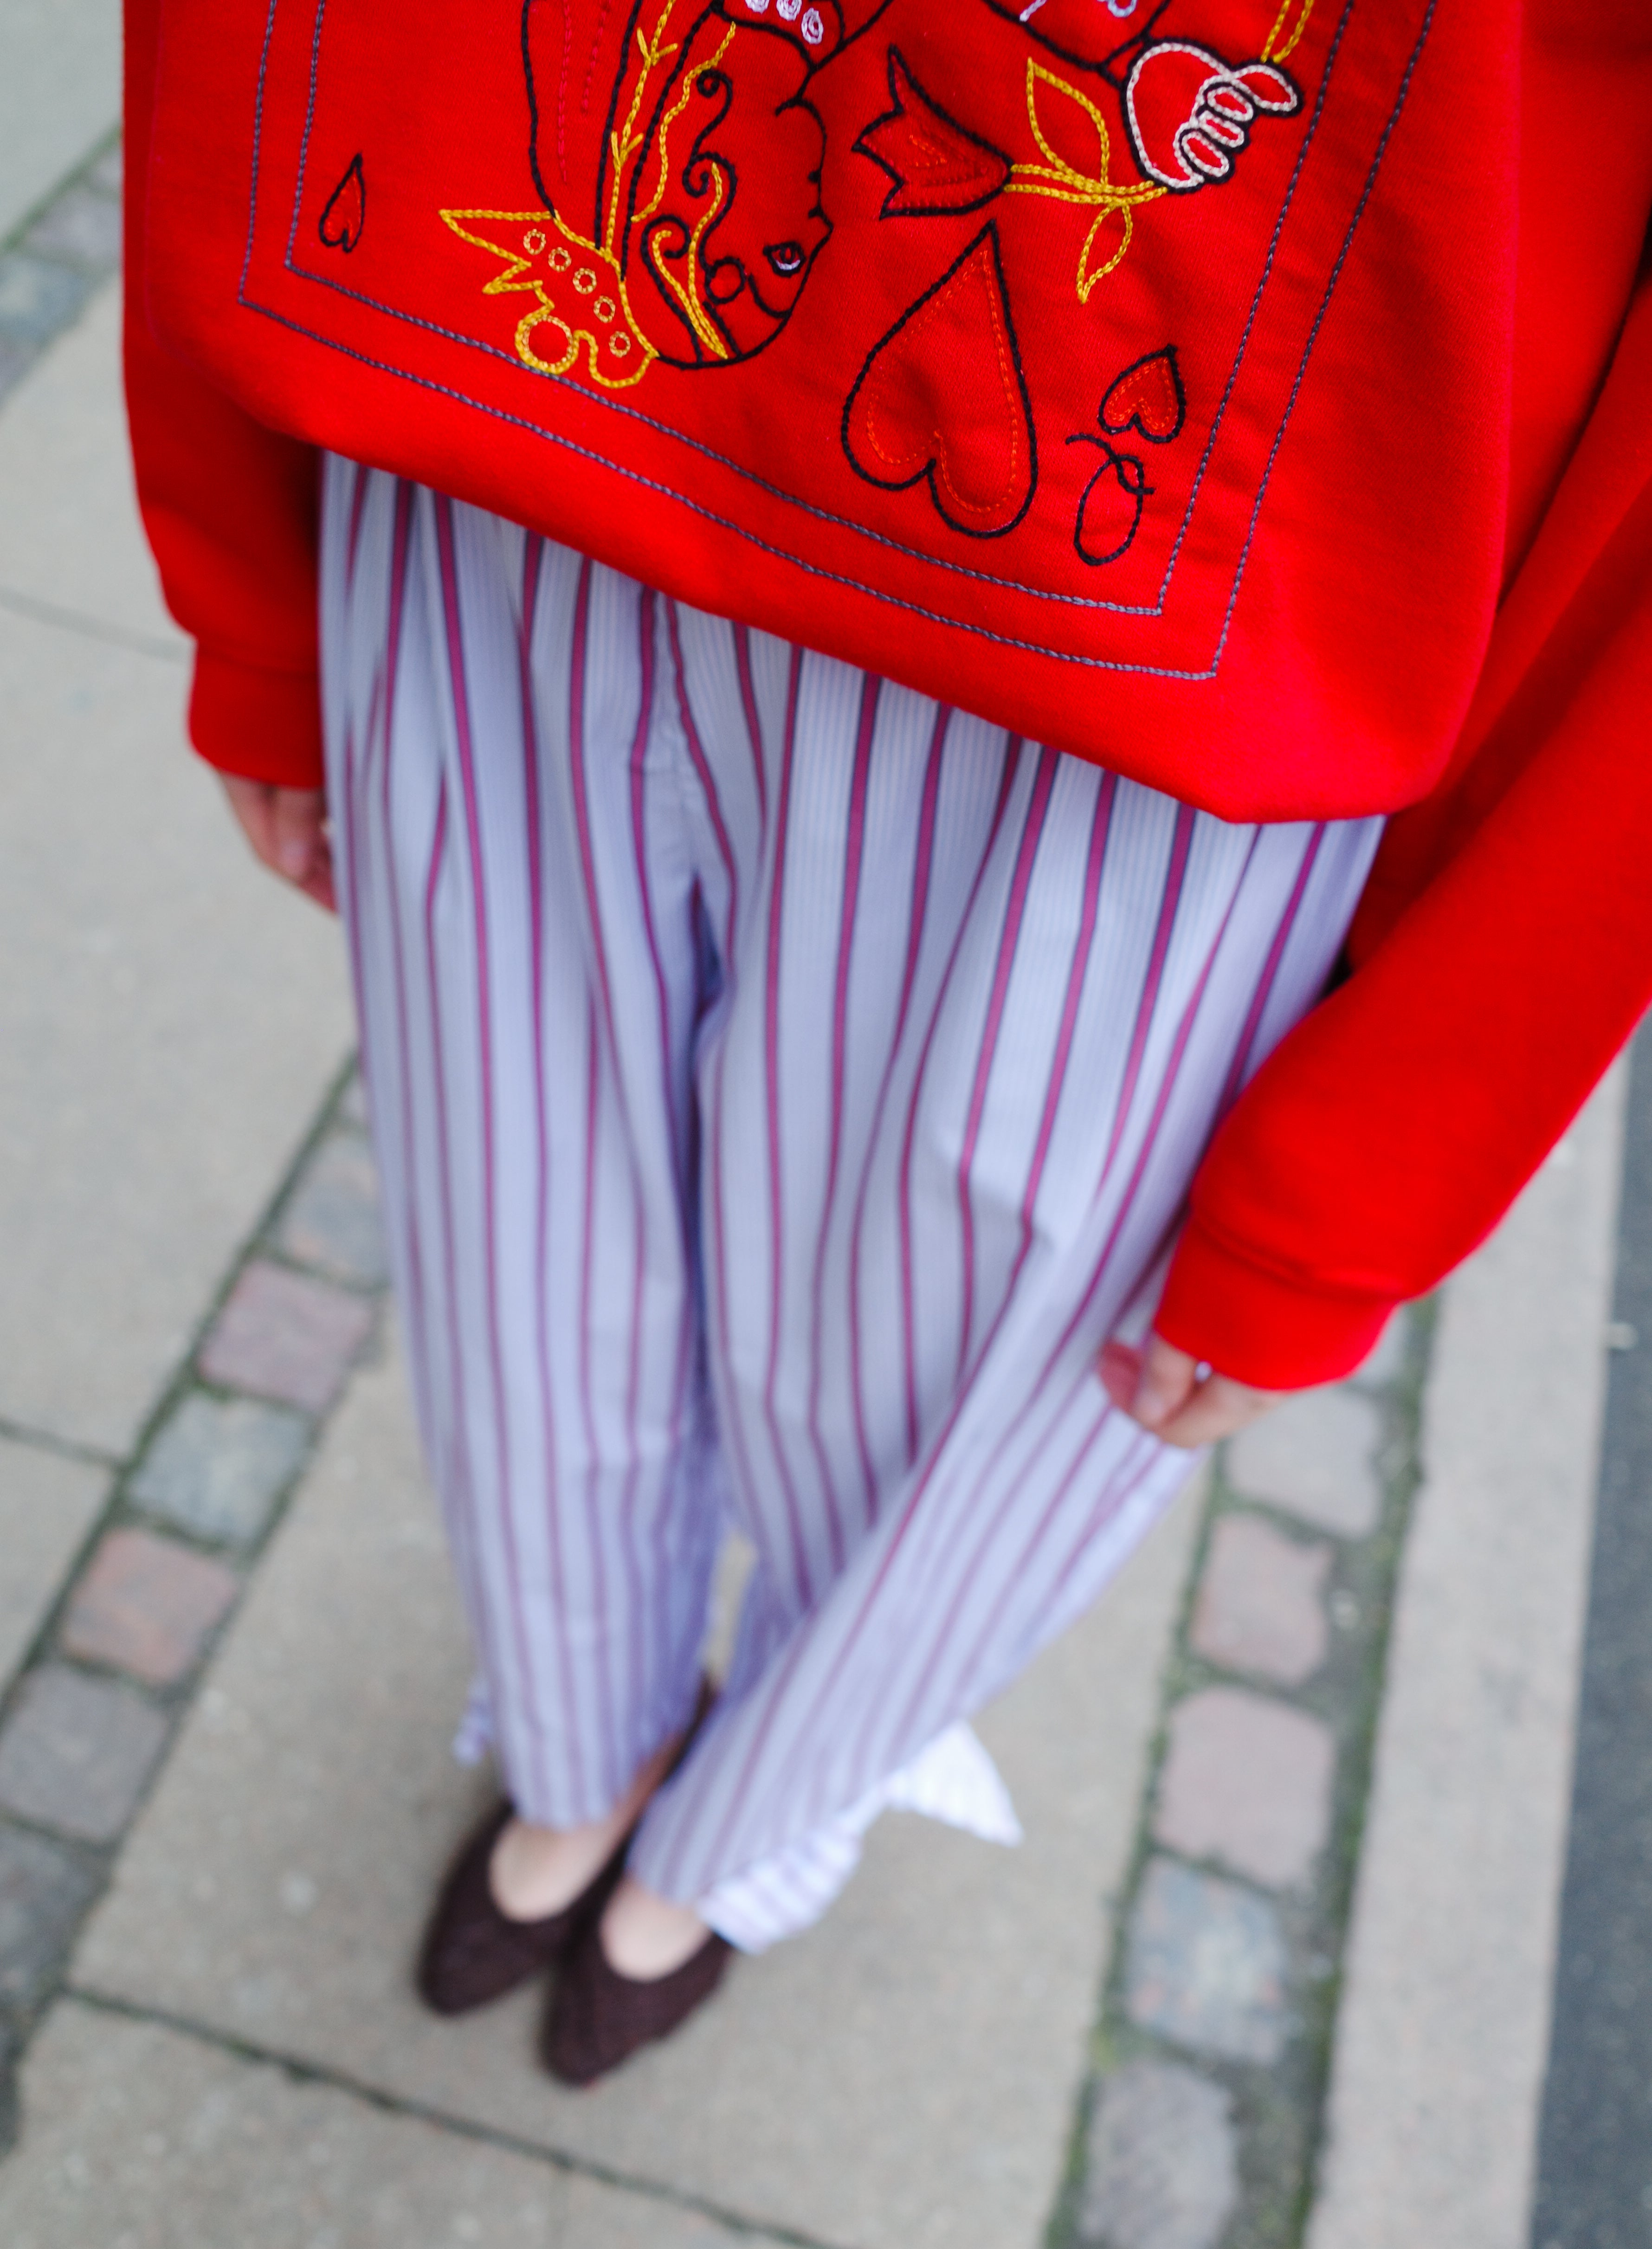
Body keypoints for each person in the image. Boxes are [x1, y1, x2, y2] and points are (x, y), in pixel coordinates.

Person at [123, 0, 1652, 2083]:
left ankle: (757, 1815)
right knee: (516, 1242)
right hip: (501, 401)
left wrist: (1377, 1156)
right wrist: (251, 558)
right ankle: (586, 1744)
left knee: (991, 1395)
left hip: (1163, 638)